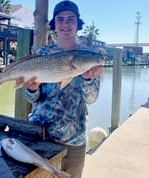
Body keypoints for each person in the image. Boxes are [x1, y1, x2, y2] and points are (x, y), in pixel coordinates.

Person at [18, 1, 103, 177]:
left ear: (78, 23)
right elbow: (31, 99)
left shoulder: (89, 56)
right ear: (54, 24)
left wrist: (87, 79)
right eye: (61, 19)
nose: (65, 24)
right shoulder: (42, 53)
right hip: (40, 136)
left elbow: (91, 99)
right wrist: (32, 89)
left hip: (74, 140)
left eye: (71, 19)